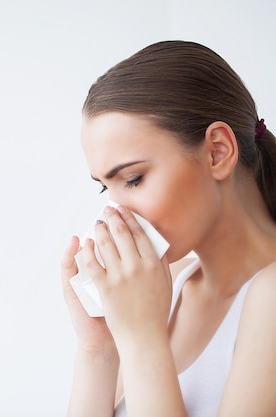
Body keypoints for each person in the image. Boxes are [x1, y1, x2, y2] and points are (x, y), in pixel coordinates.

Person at [61, 40, 276, 417]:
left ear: (218, 152)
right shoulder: (166, 284)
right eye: (103, 186)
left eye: (132, 178)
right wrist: (99, 348)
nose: (114, 212)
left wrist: (143, 339)